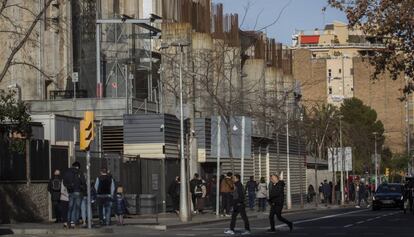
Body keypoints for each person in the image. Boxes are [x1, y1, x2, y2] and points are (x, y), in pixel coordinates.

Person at [63, 161, 86, 228]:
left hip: (70, 192)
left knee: (70, 208)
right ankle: (75, 222)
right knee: (77, 208)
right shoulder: (80, 172)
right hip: (78, 191)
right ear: (78, 166)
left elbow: (64, 182)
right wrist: (83, 188)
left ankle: (68, 222)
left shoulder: (67, 172)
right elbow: (83, 182)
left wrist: (69, 186)